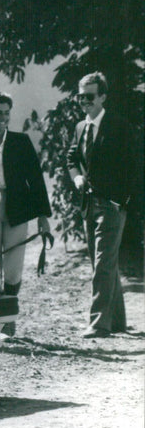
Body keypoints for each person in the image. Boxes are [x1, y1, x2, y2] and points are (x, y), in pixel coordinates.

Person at [0, 92, 52, 336]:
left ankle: (8, 316)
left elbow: (36, 180)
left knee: (13, 268)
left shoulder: (21, 141)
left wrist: (43, 217)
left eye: (6, 113)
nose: (3, 118)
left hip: (18, 207)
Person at [67, 72, 142, 339]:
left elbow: (133, 167)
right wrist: (76, 177)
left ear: (102, 97)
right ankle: (118, 322)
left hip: (111, 206)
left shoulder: (119, 126)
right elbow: (71, 157)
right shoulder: (80, 127)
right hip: (89, 205)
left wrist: (121, 200)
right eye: (80, 96)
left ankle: (99, 324)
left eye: (89, 97)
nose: (84, 102)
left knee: (102, 265)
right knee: (103, 263)